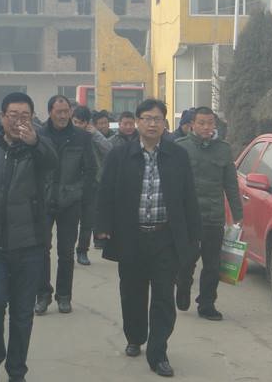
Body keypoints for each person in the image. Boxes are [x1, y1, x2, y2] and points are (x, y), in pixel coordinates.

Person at [96, 98, 201, 378]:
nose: (152, 124)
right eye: (147, 118)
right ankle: (135, 336)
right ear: (137, 122)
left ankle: (158, 352)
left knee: (164, 297)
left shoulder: (177, 155)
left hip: (165, 237)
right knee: (132, 293)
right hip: (131, 237)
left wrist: (194, 235)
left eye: (158, 119)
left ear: (165, 123)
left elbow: (188, 196)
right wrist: (102, 226)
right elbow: (105, 192)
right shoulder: (120, 155)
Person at [0, 92, 57, 382]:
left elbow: (53, 164)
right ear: (2, 117)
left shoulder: (39, 147)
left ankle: (17, 370)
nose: (19, 121)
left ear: (32, 119)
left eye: (25, 116)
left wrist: (35, 143)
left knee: (22, 313)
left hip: (29, 244)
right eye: (13, 115)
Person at [175, 106, 242, 321]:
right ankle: (183, 285)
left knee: (213, 264)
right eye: (201, 123)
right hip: (189, 217)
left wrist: (238, 214)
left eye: (210, 123)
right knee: (187, 260)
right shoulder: (181, 147)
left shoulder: (223, 149)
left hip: (214, 216)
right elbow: (172, 183)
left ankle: (206, 303)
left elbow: (231, 184)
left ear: (215, 124)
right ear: (192, 124)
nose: (206, 127)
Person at [35, 95, 96, 315]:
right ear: (50, 112)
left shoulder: (81, 137)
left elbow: (90, 169)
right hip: (43, 200)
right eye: (58, 112)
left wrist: (79, 193)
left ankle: (64, 296)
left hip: (70, 201)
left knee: (66, 252)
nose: (63, 116)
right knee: (41, 250)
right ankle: (42, 295)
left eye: (66, 111)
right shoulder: (39, 136)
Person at [71, 105, 112, 266]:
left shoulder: (93, 136)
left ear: (87, 123)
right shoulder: (68, 135)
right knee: (70, 222)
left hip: (92, 183)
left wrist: (96, 134)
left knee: (88, 221)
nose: (77, 125)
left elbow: (109, 149)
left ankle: (82, 250)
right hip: (70, 184)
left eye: (81, 122)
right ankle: (68, 251)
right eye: (75, 122)